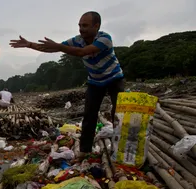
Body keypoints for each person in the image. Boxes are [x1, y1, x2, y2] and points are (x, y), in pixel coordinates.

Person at [10, 11, 125, 161]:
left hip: (114, 78)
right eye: (79, 25)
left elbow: (81, 52)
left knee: (119, 115)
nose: (81, 29)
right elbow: (52, 48)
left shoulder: (104, 39)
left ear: (96, 26)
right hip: (95, 82)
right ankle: (85, 151)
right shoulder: (78, 40)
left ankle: (121, 149)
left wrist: (58, 46)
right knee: (89, 115)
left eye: (85, 25)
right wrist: (30, 45)